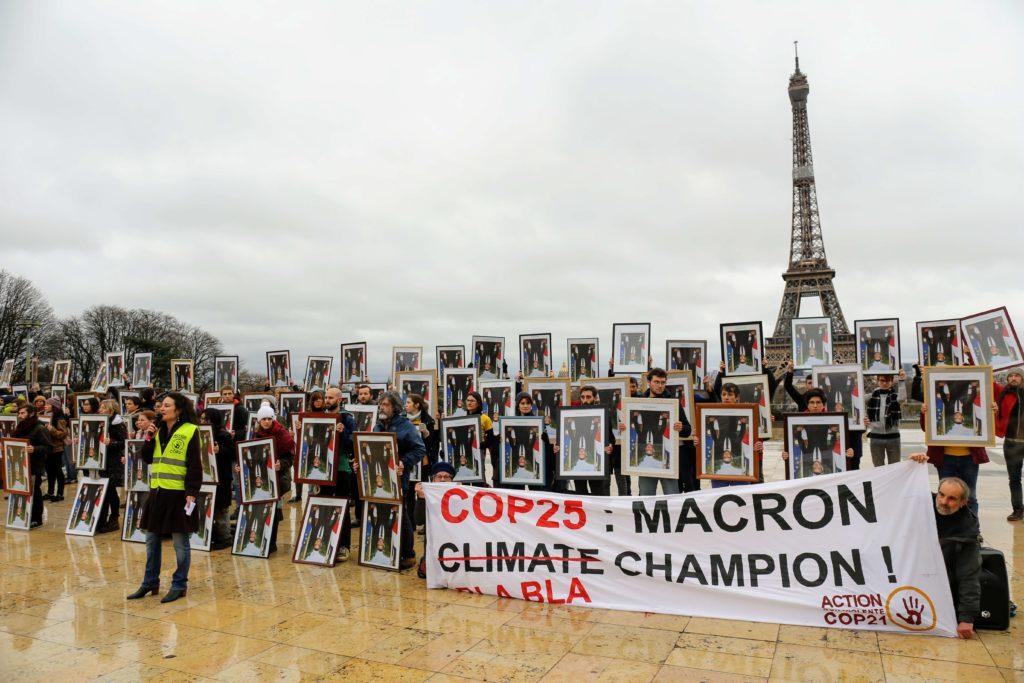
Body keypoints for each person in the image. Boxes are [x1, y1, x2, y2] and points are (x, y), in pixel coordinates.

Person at [128, 392, 203, 603]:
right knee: (151, 540)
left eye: (167, 406)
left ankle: (179, 585)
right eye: (161, 405)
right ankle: (150, 581)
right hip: (157, 492)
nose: (162, 409)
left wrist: (192, 493)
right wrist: (149, 436)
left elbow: (195, 465)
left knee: (180, 543)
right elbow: (148, 457)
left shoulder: (190, 431)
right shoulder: (158, 430)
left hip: (179, 494)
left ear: (178, 409)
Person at [907, 454, 980, 639]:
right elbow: (894, 491)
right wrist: (911, 464)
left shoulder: (966, 530)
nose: (943, 502)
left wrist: (966, 618)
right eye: (941, 494)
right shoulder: (923, 503)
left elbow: (969, 576)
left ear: (963, 503)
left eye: (952, 499)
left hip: (939, 584)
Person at [374, 391, 425, 570]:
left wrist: (404, 462)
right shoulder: (378, 425)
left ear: (394, 407)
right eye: (381, 404)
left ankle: (408, 554)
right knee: (383, 513)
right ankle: (387, 550)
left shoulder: (406, 426)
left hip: (399, 478)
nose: (382, 407)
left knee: (401, 515)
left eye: (386, 405)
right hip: (379, 479)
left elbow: (420, 449)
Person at [917, 402, 989, 517]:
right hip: (945, 458)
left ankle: (973, 530)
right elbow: (926, 428)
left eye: (959, 415)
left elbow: (987, 426)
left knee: (970, 496)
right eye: (955, 415)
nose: (957, 417)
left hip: (969, 458)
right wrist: (924, 413)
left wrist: (992, 411)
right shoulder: (941, 412)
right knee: (946, 495)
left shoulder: (972, 414)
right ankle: (947, 528)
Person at [316, 386, 358, 562]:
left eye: (331, 398)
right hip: (325, 468)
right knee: (325, 504)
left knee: (343, 506)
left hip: (342, 468)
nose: (327, 400)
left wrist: (344, 432)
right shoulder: (320, 416)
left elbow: (353, 442)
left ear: (340, 399)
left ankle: (344, 545)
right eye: (326, 397)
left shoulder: (347, 418)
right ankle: (325, 539)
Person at [251, 403, 295, 554]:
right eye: (264, 419)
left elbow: (290, 458)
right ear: (259, 420)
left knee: (275, 510)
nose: (267, 422)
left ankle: (272, 543)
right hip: (262, 478)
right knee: (263, 509)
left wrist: (280, 464)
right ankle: (263, 539)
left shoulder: (282, 435)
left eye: (269, 418)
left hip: (279, 478)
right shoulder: (256, 434)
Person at [780, 388, 854, 475]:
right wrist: (787, 453)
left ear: (823, 404)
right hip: (806, 460)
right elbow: (793, 444)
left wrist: (849, 451)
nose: (815, 405)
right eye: (812, 402)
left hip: (828, 461)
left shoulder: (834, 421)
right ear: (807, 405)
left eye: (818, 402)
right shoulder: (797, 422)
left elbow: (841, 442)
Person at [200, 406, 234, 550]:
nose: (203, 422)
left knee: (221, 511)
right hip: (207, 478)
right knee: (209, 509)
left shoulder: (223, 435)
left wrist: (220, 451)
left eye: (206, 419)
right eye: (201, 419)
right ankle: (212, 536)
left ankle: (225, 538)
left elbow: (232, 453)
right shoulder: (201, 434)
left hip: (222, 479)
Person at [414, 460, 455, 578]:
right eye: (439, 476)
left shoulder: (458, 497)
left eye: (446, 477)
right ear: (433, 479)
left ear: (452, 480)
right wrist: (421, 499)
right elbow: (419, 520)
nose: (442, 480)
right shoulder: (425, 496)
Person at [14, 404, 51, 528]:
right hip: (20, 464)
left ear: (31, 413)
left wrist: (34, 448)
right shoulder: (20, 426)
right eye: (19, 413)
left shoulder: (39, 428)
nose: (20, 416)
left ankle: (37, 518)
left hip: (34, 465)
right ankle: (24, 514)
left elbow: (48, 447)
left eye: (23, 413)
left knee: (35, 491)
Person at [994, 368, 1024, 521]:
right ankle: (1018, 509)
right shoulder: (1003, 393)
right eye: (1010, 376)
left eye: (1017, 375)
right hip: (1012, 443)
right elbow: (986, 379)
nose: (1013, 378)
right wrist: (970, 355)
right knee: (1014, 479)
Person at [864, 369, 908, 467]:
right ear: (878, 381)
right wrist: (864, 418)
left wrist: (901, 381)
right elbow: (858, 400)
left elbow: (902, 397)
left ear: (891, 381)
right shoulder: (871, 396)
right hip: (876, 437)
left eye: (887, 381)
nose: (884, 383)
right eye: (882, 380)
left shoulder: (895, 396)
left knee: (894, 467)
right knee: (878, 468)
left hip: (893, 437)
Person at [96, 399, 127, 533]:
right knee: (108, 490)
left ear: (111, 410)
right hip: (104, 461)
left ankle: (114, 518)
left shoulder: (117, 423)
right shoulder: (103, 422)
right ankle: (104, 518)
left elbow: (123, 442)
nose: (100, 410)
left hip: (113, 461)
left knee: (110, 490)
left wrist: (111, 442)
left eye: (103, 408)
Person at [43, 397, 68, 502]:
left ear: (54, 406)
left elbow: (63, 434)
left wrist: (51, 429)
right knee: (49, 470)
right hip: (49, 448)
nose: (46, 406)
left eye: (48, 405)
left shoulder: (59, 418)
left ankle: (60, 493)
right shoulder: (47, 415)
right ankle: (50, 492)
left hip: (57, 448)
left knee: (58, 471)